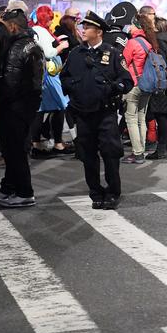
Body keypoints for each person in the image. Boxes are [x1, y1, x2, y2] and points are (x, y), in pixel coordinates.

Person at [61, 11, 133, 209]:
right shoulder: (76, 54)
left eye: (87, 27)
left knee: (110, 154)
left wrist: (111, 89)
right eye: (83, 27)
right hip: (82, 114)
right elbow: (64, 78)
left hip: (105, 113)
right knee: (87, 155)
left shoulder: (112, 53)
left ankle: (112, 192)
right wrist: (74, 91)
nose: (83, 30)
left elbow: (127, 81)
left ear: (99, 32)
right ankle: (95, 191)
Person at [0, 8, 44, 207]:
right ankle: (9, 188)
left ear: (13, 26)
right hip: (24, 105)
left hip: (16, 107)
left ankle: (24, 192)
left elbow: (11, 83)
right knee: (11, 149)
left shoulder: (17, 47)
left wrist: (0, 99)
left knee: (15, 150)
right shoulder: (30, 45)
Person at [30, 5, 71, 158]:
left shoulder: (36, 30)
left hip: (45, 75)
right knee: (59, 107)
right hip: (49, 76)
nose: (51, 21)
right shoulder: (41, 31)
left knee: (42, 110)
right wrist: (61, 46)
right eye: (50, 18)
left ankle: (38, 144)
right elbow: (48, 52)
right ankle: (54, 144)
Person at [122, 13, 158, 163]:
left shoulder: (132, 43)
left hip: (134, 85)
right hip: (147, 85)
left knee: (130, 118)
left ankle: (137, 153)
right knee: (141, 118)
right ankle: (140, 151)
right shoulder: (150, 43)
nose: (128, 27)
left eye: (130, 24)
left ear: (136, 25)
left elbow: (124, 62)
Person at [146, 16, 167, 160]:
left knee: (158, 116)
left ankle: (161, 149)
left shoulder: (157, 41)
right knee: (163, 117)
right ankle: (162, 148)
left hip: (159, 82)